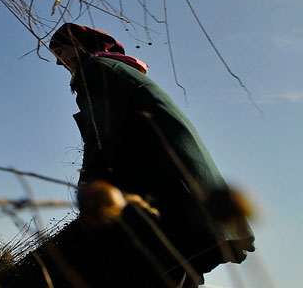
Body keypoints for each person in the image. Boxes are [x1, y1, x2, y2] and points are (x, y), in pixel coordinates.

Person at [47, 22, 254, 287]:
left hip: (163, 195)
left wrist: (89, 187)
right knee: (177, 271)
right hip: (180, 193)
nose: (59, 62)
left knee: (157, 273)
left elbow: (102, 135)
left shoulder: (96, 70)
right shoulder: (116, 69)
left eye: (59, 52)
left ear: (76, 45)